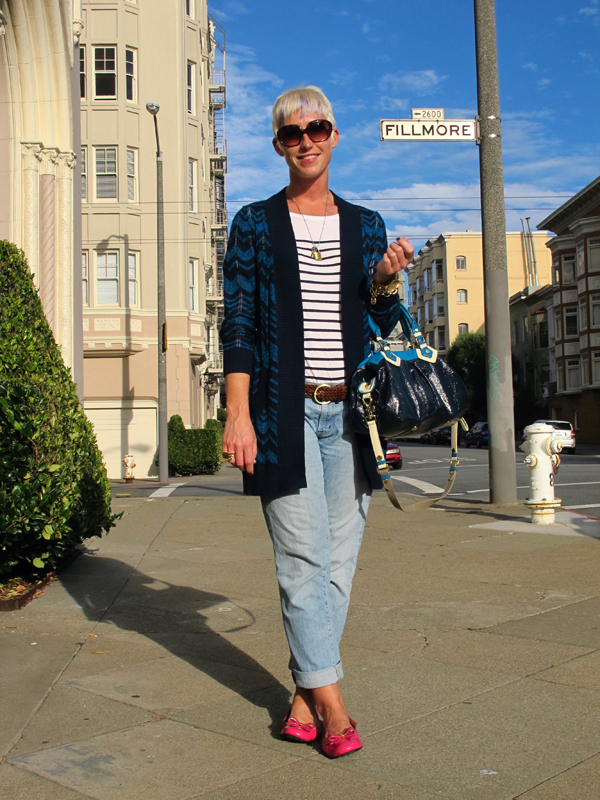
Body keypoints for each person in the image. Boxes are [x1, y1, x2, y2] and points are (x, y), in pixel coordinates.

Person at [220, 86, 413, 758]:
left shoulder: (366, 224)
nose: (306, 140)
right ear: (278, 144)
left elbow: (382, 323)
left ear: (335, 135)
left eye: (318, 128)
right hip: (282, 410)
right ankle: (335, 708)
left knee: (338, 564)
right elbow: (239, 323)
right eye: (292, 132)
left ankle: (304, 695)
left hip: (353, 414)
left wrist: (385, 281)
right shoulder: (253, 222)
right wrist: (237, 414)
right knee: (302, 558)